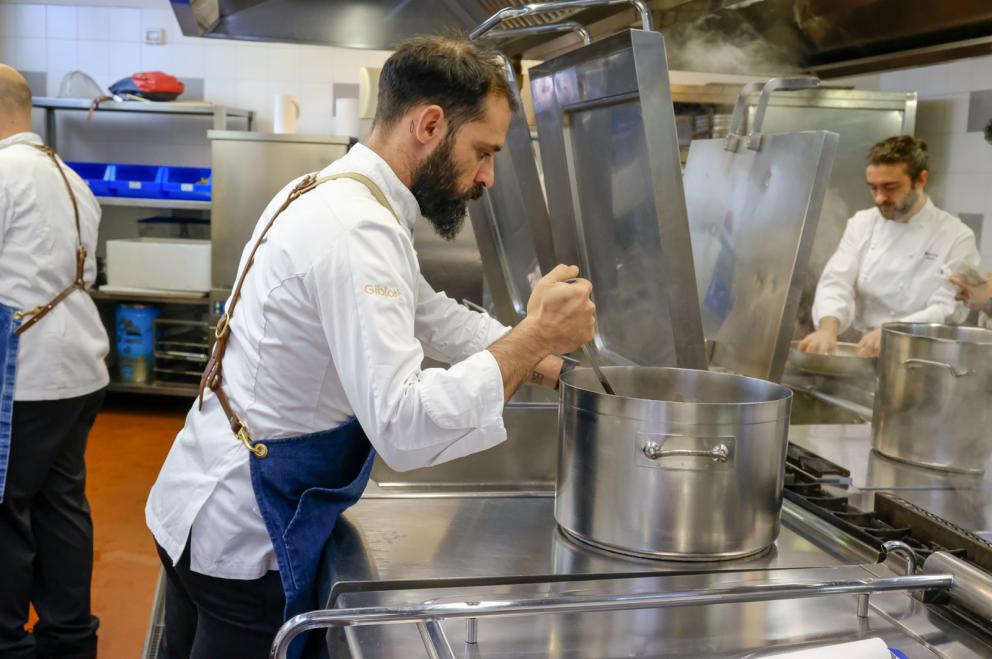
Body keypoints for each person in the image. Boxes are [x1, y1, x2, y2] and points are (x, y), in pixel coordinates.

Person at [145, 36, 596, 659]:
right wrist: (533, 336)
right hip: (245, 533)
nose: (487, 176)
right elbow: (404, 425)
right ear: (429, 125)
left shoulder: (334, 190)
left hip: (203, 498)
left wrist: (555, 368)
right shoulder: (357, 227)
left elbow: (432, 315)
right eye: (483, 151)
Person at [0, 65, 109, 659]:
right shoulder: (70, 178)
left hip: (23, 377)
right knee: (60, 504)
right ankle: (70, 639)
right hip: (79, 372)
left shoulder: (3, 174)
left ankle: (8, 644)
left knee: (6, 510)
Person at [798, 135, 979, 357]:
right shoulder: (862, 223)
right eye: (873, 188)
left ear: (921, 180)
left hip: (920, 354)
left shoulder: (956, 236)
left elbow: (946, 308)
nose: (879, 198)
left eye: (890, 187)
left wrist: (893, 332)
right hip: (862, 348)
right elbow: (836, 281)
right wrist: (827, 328)